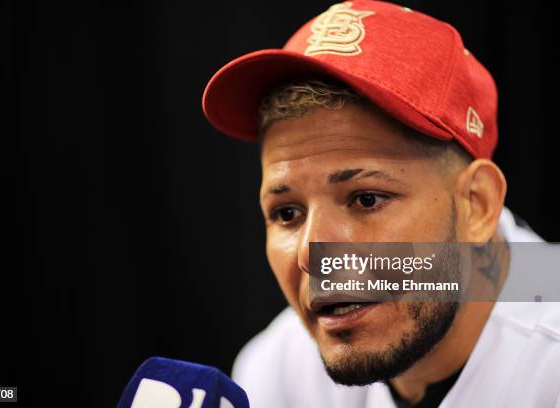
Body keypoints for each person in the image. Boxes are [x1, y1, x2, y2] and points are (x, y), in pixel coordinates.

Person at [202, 1, 560, 407]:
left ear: (477, 205)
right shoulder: (278, 366)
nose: (312, 253)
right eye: (287, 213)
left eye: (366, 199)